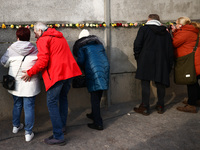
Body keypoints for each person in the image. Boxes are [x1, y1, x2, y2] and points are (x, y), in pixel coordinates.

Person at [21, 22, 82, 146]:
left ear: (39, 30)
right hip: (68, 73)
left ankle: (58, 136)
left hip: (57, 75)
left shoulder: (43, 39)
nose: (34, 35)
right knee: (63, 99)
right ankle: (62, 127)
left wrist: (30, 72)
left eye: (35, 32)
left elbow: (43, 61)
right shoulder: (59, 36)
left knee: (52, 103)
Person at [0, 27, 41, 142]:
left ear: (17, 37)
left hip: (15, 84)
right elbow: (40, 64)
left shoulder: (11, 49)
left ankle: (15, 126)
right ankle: (28, 133)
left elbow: (3, 62)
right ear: (28, 37)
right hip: (30, 84)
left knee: (17, 104)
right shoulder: (35, 49)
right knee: (29, 107)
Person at [133, 14, 174, 115]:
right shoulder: (165, 32)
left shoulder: (144, 29)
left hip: (146, 59)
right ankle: (160, 106)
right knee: (160, 83)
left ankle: (145, 107)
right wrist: (169, 63)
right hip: (162, 60)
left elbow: (137, 44)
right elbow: (170, 49)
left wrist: (138, 57)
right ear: (158, 20)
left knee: (145, 83)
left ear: (149, 19)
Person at [73, 29, 110, 130]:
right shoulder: (99, 45)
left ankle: (98, 123)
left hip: (93, 71)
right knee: (98, 94)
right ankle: (94, 114)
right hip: (104, 70)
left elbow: (80, 61)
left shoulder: (82, 47)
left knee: (94, 97)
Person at [172, 17, 200, 113]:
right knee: (194, 81)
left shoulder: (184, 32)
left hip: (190, 61)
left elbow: (174, 43)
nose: (175, 25)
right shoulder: (192, 30)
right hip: (195, 60)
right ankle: (197, 99)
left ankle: (191, 105)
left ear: (181, 24)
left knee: (191, 82)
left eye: (176, 23)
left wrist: (174, 32)